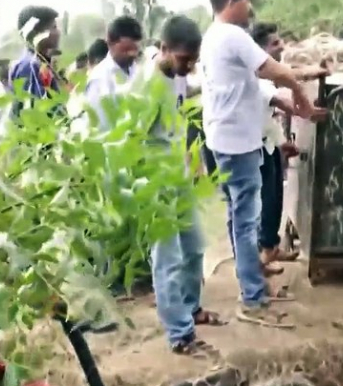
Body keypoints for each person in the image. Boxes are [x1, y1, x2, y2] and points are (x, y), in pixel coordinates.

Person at [201, 0, 325, 327]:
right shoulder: (233, 35)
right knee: (245, 222)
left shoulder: (213, 36)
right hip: (237, 143)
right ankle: (253, 298)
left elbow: (254, 88)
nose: (251, 5)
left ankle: (252, 284)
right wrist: (300, 92)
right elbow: (276, 71)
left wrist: (289, 103)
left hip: (221, 140)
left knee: (237, 217)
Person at [128, 15, 225, 355]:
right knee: (167, 258)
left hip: (178, 176)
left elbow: (177, 122)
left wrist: (191, 159)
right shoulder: (145, 86)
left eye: (193, 60)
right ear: (164, 49)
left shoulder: (176, 75)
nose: (189, 66)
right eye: (185, 60)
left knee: (196, 246)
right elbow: (131, 140)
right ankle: (179, 335)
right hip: (155, 182)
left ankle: (191, 308)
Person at [251, 22, 308, 285]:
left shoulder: (264, 79)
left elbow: (268, 117)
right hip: (255, 146)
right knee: (263, 203)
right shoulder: (257, 79)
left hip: (269, 143)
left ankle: (270, 249)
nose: (281, 47)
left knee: (274, 198)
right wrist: (308, 111)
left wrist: (282, 142)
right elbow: (281, 103)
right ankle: (258, 265)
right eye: (274, 44)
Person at [85, 15, 142, 131]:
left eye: (135, 50)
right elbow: (99, 126)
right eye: (126, 50)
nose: (132, 55)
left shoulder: (140, 73)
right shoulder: (99, 78)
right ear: (110, 42)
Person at [9, 5, 61, 112]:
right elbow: (36, 116)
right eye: (54, 27)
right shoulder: (30, 67)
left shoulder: (40, 63)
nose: (58, 33)